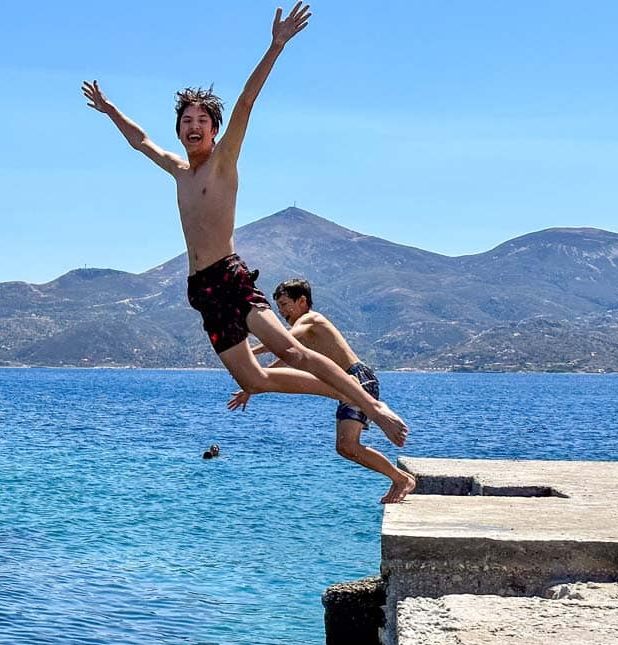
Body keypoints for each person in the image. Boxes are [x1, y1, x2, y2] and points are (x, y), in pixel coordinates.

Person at [81, 2, 408, 449]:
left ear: (215, 131)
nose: (194, 126)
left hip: (230, 279)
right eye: (186, 121)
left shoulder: (222, 162)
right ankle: (341, 393)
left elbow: (246, 102)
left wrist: (275, 46)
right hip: (201, 291)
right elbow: (141, 141)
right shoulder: (179, 170)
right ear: (179, 129)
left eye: (202, 121)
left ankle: (375, 407)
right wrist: (110, 109)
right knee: (252, 378)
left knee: (293, 352)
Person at [230, 279, 417, 503]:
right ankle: (400, 478)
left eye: (284, 304)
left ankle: (401, 479)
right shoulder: (304, 331)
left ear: (302, 301)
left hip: (357, 379)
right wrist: (252, 386)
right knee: (346, 447)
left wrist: (246, 352)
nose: (281, 312)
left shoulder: (312, 319)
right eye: (278, 307)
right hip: (344, 382)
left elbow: (285, 342)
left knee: (347, 445)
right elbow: (282, 360)